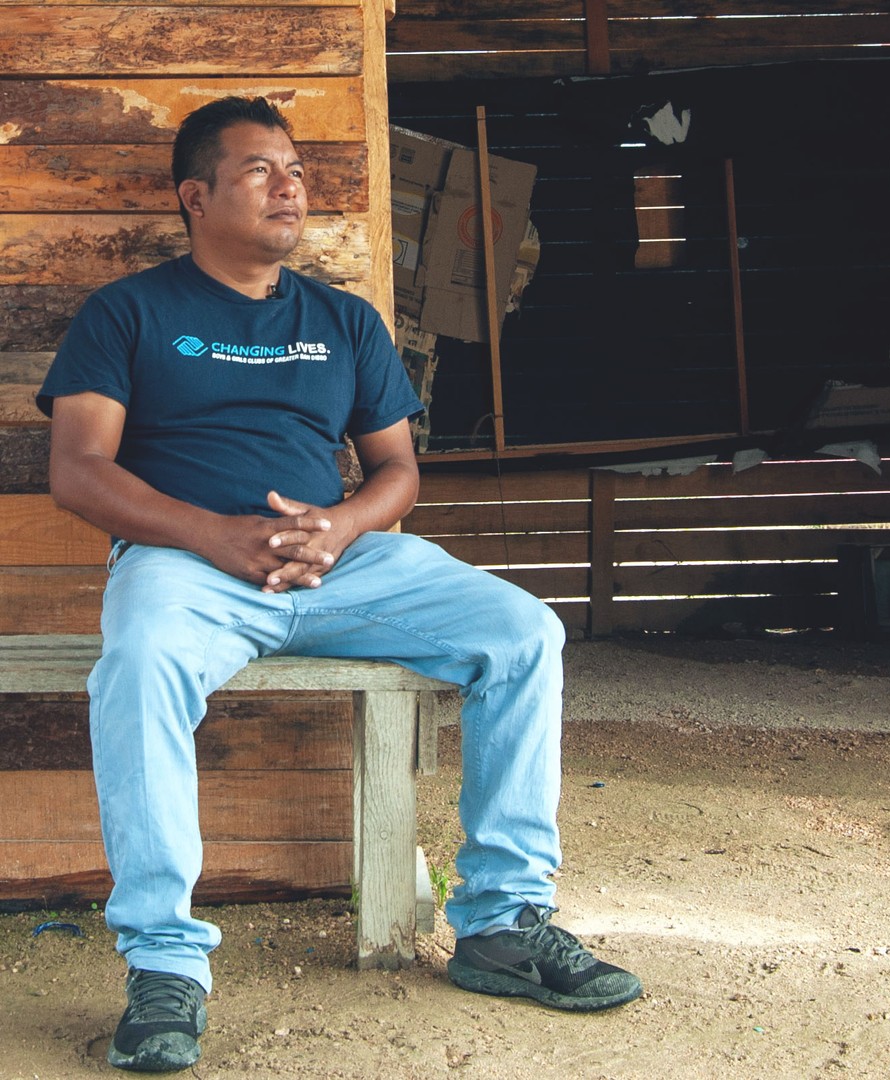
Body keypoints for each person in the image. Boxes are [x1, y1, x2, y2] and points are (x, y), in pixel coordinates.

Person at [36, 96, 641, 1074]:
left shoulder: (343, 320)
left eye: (297, 170)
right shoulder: (130, 313)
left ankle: (500, 924)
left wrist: (341, 525)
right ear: (196, 196)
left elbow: (398, 473)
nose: (290, 186)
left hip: (343, 566)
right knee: (137, 662)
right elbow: (79, 470)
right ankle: (165, 968)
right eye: (259, 170)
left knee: (524, 632)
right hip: (190, 570)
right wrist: (217, 537)